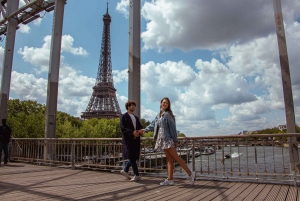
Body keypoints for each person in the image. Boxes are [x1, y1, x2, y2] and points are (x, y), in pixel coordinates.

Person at [142, 97, 195, 185]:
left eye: (167, 103)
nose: (165, 104)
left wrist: (175, 140)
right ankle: (170, 179)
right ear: (160, 103)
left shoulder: (168, 115)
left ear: (168, 105)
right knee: (169, 159)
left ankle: (190, 173)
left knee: (176, 157)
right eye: (164, 102)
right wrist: (144, 130)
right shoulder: (159, 114)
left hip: (168, 139)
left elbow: (173, 129)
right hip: (162, 140)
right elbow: (153, 125)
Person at [120, 100, 144, 181]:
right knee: (132, 158)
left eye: (134, 105)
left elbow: (140, 127)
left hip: (135, 140)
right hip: (128, 141)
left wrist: (139, 132)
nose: (133, 107)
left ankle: (125, 170)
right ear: (128, 106)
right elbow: (123, 128)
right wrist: (132, 132)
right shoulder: (124, 116)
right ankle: (137, 175)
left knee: (133, 158)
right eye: (132, 105)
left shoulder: (136, 118)